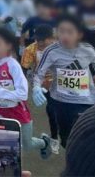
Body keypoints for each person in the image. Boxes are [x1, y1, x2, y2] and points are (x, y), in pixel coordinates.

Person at [0, 26, 51, 160]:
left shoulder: (13, 65)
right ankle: (5, 161)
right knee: (2, 138)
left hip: (16, 109)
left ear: (8, 45)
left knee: (27, 144)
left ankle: (44, 142)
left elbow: (22, 94)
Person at [32, 15, 95, 148]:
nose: (65, 36)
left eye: (70, 32)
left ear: (79, 34)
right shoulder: (51, 51)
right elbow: (39, 73)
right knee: (66, 140)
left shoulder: (88, 49)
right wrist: (36, 87)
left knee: (85, 135)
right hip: (60, 102)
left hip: (85, 101)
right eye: (61, 31)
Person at [20, 24, 59, 153]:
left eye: (43, 40)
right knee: (51, 110)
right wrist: (23, 87)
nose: (40, 43)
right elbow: (23, 70)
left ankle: (55, 137)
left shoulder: (60, 46)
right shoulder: (30, 49)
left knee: (55, 110)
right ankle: (53, 138)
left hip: (58, 82)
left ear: (51, 38)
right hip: (40, 84)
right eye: (38, 40)